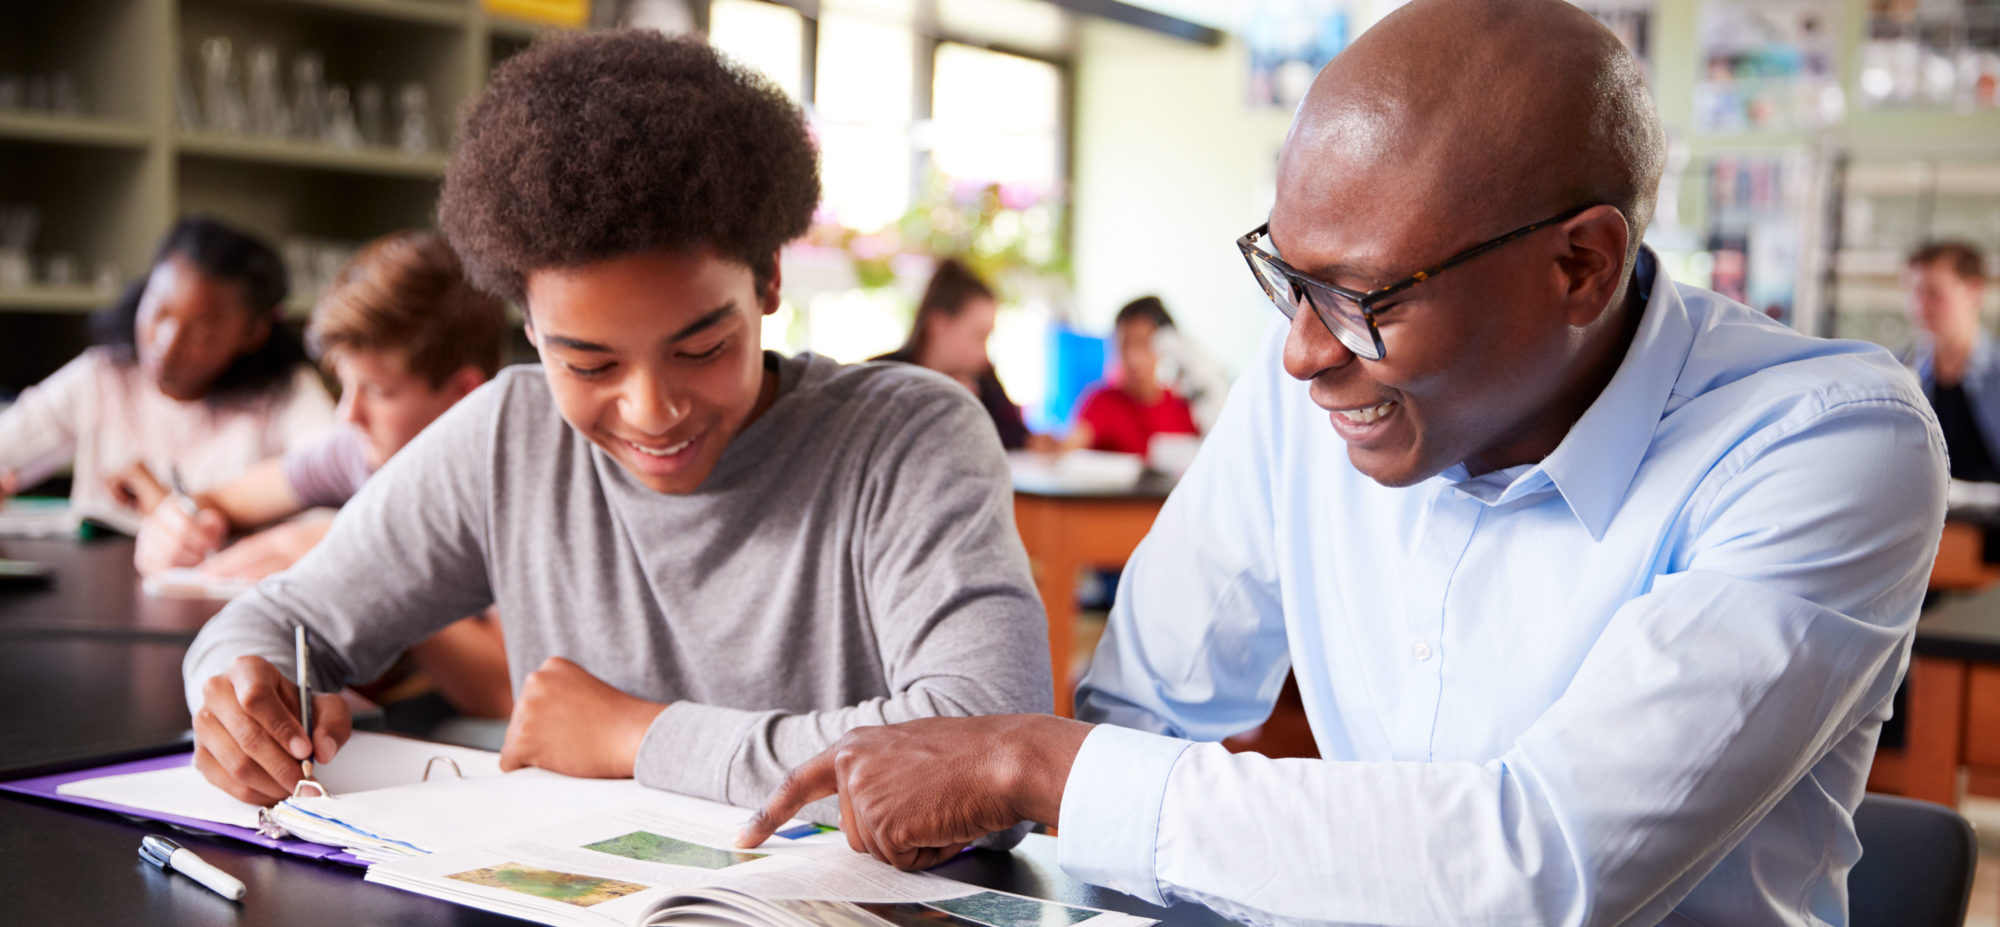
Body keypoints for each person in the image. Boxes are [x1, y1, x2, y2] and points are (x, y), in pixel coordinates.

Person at [737, 2, 1947, 924]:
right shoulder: (1322, 395)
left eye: (1365, 298)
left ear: (1578, 265)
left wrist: (1031, 761)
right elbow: (1143, 716)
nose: (1303, 354)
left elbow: (1539, 867)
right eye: (1287, 275)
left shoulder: (1826, 440)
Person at [179, 31, 1050, 825]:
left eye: (703, 347)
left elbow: (990, 743)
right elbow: (277, 620)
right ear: (528, 325)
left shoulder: (911, 437)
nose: (652, 410)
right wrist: (244, 698)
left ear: (769, 283)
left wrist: (639, 736)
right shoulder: (505, 440)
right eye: (589, 364)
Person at [138, 230, 513, 720]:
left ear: (463, 394)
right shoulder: (362, 449)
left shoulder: (512, 480)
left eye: (377, 390)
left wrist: (365, 569)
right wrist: (176, 523)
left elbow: (505, 689)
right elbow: (222, 501)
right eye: (344, 383)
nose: (347, 414)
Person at [0, 216, 333, 516]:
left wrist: (175, 511)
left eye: (202, 332)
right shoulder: (104, 375)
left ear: (252, 333)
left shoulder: (286, 392)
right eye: (158, 312)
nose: (167, 345)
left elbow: (339, 483)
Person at [875, 258, 1046, 450]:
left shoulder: (984, 380)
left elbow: (1019, 438)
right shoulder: (881, 380)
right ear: (939, 325)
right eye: (979, 336)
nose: (984, 352)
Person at [1903, 240, 1997, 481]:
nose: (1919, 305)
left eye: (1933, 293)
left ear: (1974, 291)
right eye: (1914, 292)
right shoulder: (1897, 371)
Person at [1065, 296, 1201, 456]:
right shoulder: (1101, 402)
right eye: (1124, 345)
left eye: (1142, 343)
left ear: (1164, 345)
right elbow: (1074, 441)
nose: (1132, 358)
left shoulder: (1185, 408)